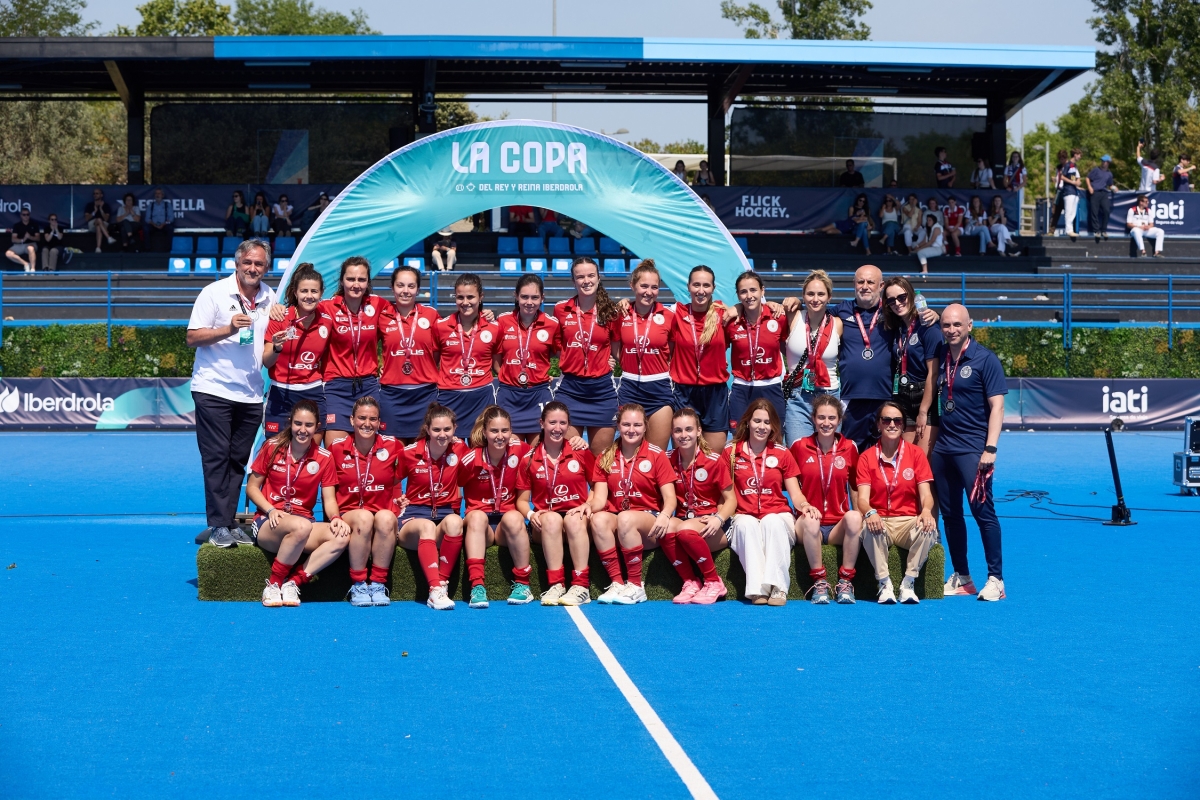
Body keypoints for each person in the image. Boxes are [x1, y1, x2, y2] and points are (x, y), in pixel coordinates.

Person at [187, 239, 276, 548]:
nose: (253, 268)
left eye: (259, 263)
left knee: (238, 460)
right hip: (213, 389)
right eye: (247, 262)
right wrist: (228, 329)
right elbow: (192, 337)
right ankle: (218, 524)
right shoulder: (214, 293)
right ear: (237, 264)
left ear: (266, 267)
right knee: (216, 458)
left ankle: (228, 521)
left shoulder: (270, 297)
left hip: (250, 393)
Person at [934, 304, 1008, 602]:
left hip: (973, 449)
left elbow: (997, 407)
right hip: (943, 449)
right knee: (951, 515)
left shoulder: (985, 359)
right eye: (946, 325)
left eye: (957, 324)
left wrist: (990, 448)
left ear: (969, 326)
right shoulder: (940, 354)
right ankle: (963, 577)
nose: (951, 330)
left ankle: (996, 579)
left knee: (982, 512)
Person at [246, 400, 350, 607]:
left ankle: (293, 582)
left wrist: (336, 518)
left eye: (309, 425)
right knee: (301, 526)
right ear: (290, 422)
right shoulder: (272, 447)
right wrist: (270, 509)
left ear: (317, 427)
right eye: (298, 424)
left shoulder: (324, 457)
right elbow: (252, 488)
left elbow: (329, 498)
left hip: (303, 525)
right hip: (269, 522)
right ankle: (273, 584)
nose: (303, 430)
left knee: (341, 536)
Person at [725, 399, 812, 606]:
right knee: (746, 525)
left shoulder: (782, 453)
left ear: (773, 426)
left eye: (767, 422)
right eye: (757, 421)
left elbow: (795, 494)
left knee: (771, 521)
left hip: (777, 513)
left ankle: (779, 588)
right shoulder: (731, 452)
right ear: (747, 422)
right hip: (743, 514)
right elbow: (724, 493)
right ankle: (758, 590)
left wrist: (805, 505)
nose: (762, 427)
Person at [589, 404, 677, 605]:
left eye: (637, 425)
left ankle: (636, 586)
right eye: (626, 424)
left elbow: (670, 498)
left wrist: (665, 515)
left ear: (645, 427)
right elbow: (600, 500)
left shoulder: (656, 454)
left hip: (650, 524)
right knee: (599, 519)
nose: (631, 430)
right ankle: (617, 583)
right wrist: (588, 507)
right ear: (618, 426)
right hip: (620, 521)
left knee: (626, 517)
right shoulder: (606, 455)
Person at [855, 401, 938, 604]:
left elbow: (926, 495)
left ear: (903, 425)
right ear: (878, 424)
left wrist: (927, 511)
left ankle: (908, 583)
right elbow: (862, 500)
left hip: (907, 521)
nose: (892, 424)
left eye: (897, 420)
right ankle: (884, 583)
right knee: (868, 528)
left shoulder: (916, 454)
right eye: (886, 420)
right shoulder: (866, 457)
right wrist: (870, 512)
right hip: (880, 519)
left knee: (929, 529)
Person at [515, 401, 596, 606]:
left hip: (576, 519)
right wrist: (531, 515)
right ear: (541, 423)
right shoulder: (528, 459)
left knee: (574, 519)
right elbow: (522, 501)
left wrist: (589, 504)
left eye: (562, 423)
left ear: (569, 426)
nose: (557, 428)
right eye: (552, 422)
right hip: (546, 523)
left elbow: (597, 485)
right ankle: (556, 584)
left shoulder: (581, 452)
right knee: (551, 519)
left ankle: (581, 586)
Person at [458, 406, 534, 608]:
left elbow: (546, 452)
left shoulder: (520, 449)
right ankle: (477, 586)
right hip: (479, 527)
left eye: (504, 431)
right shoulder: (471, 459)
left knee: (514, 516)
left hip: (505, 528)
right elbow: (452, 484)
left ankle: (523, 584)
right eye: (494, 431)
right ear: (484, 432)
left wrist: (575, 442)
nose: (500, 436)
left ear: (511, 431)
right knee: (477, 516)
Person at [790, 395, 863, 604]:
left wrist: (859, 513)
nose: (826, 423)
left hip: (836, 527)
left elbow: (855, 486)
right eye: (821, 417)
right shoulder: (799, 446)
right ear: (813, 419)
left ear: (839, 420)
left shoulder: (850, 447)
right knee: (811, 520)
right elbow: (790, 484)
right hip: (807, 525)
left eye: (831, 418)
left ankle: (845, 582)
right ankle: (820, 582)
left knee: (854, 518)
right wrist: (803, 507)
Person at [396, 404, 468, 611]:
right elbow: (389, 481)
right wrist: (396, 500)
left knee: (455, 521)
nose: (442, 434)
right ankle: (434, 589)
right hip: (413, 518)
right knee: (427, 526)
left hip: (444, 513)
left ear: (455, 429)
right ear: (427, 429)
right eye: (436, 429)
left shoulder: (461, 449)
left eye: (447, 429)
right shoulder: (409, 452)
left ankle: (442, 584)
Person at [331, 397, 401, 608]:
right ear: (352, 420)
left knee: (386, 517)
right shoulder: (336, 448)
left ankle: (378, 584)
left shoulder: (393, 445)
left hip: (382, 515)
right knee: (364, 517)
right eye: (362, 418)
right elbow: (328, 489)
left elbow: (420, 459)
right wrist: (333, 516)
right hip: (350, 515)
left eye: (373, 419)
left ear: (379, 422)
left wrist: (452, 443)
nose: (367, 424)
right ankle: (359, 584)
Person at [314, 257, 392, 447]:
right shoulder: (327, 307)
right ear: (342, 281)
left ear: (368, 282)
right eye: (350, 279)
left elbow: (400, 332)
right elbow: (299, 310)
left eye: (361, 279)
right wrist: (279, 308)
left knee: (368, 453)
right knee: (336, 450)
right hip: (336, 388)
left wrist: (388, 366)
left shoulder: (379, 305)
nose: (356, 285)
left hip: (368, 386)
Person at [663, 407, 735, 604]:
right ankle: (690, 582)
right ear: (672, 433)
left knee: (685, 531)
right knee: (665, 528)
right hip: (684, 520)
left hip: (714, 524)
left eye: (688, 429)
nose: (683, 435)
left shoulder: (714, 460)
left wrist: (718, 519)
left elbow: (731, 500)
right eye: (678, 430)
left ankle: (714, 582)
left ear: (699, 431)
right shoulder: (667, 459)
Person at [553, 257, 620, 456]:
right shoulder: (561, 310)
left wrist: (607, 359)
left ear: (599, 278)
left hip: (602, 391)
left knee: (601, 461)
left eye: (591, 275)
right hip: (570, 390)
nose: (586, 281)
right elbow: (556, 346)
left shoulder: (611, 312)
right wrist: (572, 358)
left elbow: (616, 349)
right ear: (573, 281)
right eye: (580, 277)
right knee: (569, 458)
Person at [262, 263, 331, 435]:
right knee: (275, 449)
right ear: (295, 292)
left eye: (314, 291)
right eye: (304, 291)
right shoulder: (280, 318)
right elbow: (267, 362)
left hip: (313, 392)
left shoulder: (327, 320)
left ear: (321, 293)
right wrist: (277, 347)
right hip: (280, 393)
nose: (309, 296)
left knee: (312, 450)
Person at [613, 260, 676, 450]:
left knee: (656, 454)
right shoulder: (620, 314)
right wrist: (628, 362)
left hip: (659, 389)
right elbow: (615, 347)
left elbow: (671, 350)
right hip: (629, 387)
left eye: (654, 287)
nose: (649, 292)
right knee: (629, 452)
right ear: (632, 286)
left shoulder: (669, 316)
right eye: (644, 286)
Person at [670, 265, 731, 454]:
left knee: (713, 458)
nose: (701, 290)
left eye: (706, 285)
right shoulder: (676, 313)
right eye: (696, 285)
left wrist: (775, 304)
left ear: (713, 288)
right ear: (688, 286)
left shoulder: (724, 315)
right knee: (683, 457)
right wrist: (626, 302)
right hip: (684, 392)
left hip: (715, 393)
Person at [378, 265, 442, 442]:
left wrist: (483, 313)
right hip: (392, 396)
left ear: (418, 289)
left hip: (425, 395)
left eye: (411, 286)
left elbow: (442, 348)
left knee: (420, 453)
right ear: (392, 288)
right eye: (400, 285)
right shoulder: (382, 316)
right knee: (392, 452)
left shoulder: (431, 315)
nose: (405, 291)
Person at [435, 273, 500, 439]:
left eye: (470, 297)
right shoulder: (441, 326)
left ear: (481, 297)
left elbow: (498, 365)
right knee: (449, 449)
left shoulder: (494, 328)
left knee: (479, 447)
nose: (465, 302)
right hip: (449, 397)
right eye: (460, 297)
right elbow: (431, 362)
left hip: (481, 397)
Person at [494, 275, 559, 440]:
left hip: (538, 396)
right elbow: (495, 357)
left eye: (535, 297)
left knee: (537, 452)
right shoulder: (502, 321)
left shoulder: (552, 324)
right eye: (524, 297)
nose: (529, 302)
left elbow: (563, 354)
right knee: (512, 452)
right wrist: (507, 375)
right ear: (516, 296)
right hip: (509, 396)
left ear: (542, 298)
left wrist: (539, 372)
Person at [782, 270, 842, 444]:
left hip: (829, 395)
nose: (815, 299)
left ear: (829, 297)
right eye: (810, 294)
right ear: (803, 296)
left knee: (827, 453)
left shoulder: (838, 324)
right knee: (799, 451)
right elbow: (764, 309)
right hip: (798, 397)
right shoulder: (792, 317)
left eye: (821, 294)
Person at [883, 277, 941, 454]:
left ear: (911, 295)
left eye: (902, 297)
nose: (897, 303)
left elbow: (933, 373)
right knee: (906, 458)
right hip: (902, 397)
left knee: (922, 460)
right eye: (891, 300)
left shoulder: (928, 326)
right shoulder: (897, 327)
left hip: (924, 398)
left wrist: (923, 411)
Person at [726, 271, 788, 429]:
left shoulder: (778, 317)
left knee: (774, 437)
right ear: (738, 295)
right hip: (742, 389)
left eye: (753, 290)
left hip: (771, 387)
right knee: (739, 438)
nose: (749, 296)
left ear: (762, 291)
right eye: (743, 292)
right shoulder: (732, 322)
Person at [1086, 155, 1117, 241]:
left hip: (1104, 193)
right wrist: (1089, 187)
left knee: (1106, 211)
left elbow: (1110, 184)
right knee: (1094, 211)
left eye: (1104, 161)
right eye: (1102, 161)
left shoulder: (1109, 174)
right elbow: (1088, 178)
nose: (1103, 163)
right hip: (1095, 192)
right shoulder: (1096, 170)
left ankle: (1104, 230)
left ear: (1108, 163)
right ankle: (1096, 231)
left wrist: (1114, 188)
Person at [1060, 148, 1083, 241]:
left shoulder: (1074, 165)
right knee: (1068, 211)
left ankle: (1071, 230)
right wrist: (1073, 183)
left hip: (1074, 192)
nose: (1080, 157)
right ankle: (1068, 230)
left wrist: (1078, 183)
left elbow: (1077, 177)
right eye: (1079, 155)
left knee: (1073, 212)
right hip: (1068, 191)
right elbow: (1062, 176)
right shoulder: (1068, 164)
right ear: (1075, 154)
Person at [84, 188, 115, 252]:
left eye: (97, 193)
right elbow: (86, 219)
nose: (95, 195)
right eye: (94, 194)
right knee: (98, 220)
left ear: (101, 195)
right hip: (92, 224)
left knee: (98, 225)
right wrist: (94, 212)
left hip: (104, 224)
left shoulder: (106, 205)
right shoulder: (90, 205)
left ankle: (98, 248)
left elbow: (106, 219)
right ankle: (108, 237)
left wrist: (101, 209)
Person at [145, 187, 174, 252]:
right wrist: (154, 224)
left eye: (159, 193)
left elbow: (171, 218)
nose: (157, 195)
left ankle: (168, 249)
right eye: (156, 193)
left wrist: (163, 224)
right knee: (146, 228)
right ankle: (147, 249)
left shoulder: (167, 205)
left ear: (162, 195)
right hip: (153, 225)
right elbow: (147, 219)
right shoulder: (151, 205)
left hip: (164, 225)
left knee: (170, 228)